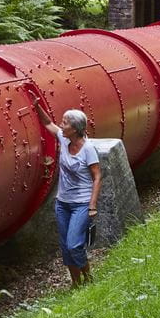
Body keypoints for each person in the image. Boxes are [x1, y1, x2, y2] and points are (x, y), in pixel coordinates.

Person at [30, 90, 102, 286]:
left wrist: (92, 205)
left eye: (65, 123)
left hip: (81, 203)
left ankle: (88, 277)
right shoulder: (64, 138)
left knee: (74, 244)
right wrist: (36, 106)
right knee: (65, 245)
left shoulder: (88, 149)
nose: (62, 126)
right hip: (63, 202)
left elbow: (97, 176)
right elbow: (48, 124)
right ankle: (76, 283)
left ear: (76, 129)